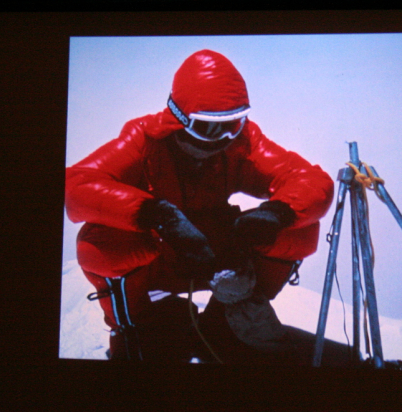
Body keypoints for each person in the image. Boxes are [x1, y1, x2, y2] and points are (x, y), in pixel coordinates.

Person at [65, 49, 334, 362]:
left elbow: (312, 181)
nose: (222, 138)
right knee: (100, 244)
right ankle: (136, 327)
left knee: (299, 229)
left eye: (233, 123)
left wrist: (273, 215)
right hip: (159, 255)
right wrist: (158, 215)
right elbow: (76, 186)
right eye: (208, 126)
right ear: (179, 120)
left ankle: (230, 317)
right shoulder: (143, 140)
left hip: (215, 255)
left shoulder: (242, 141)